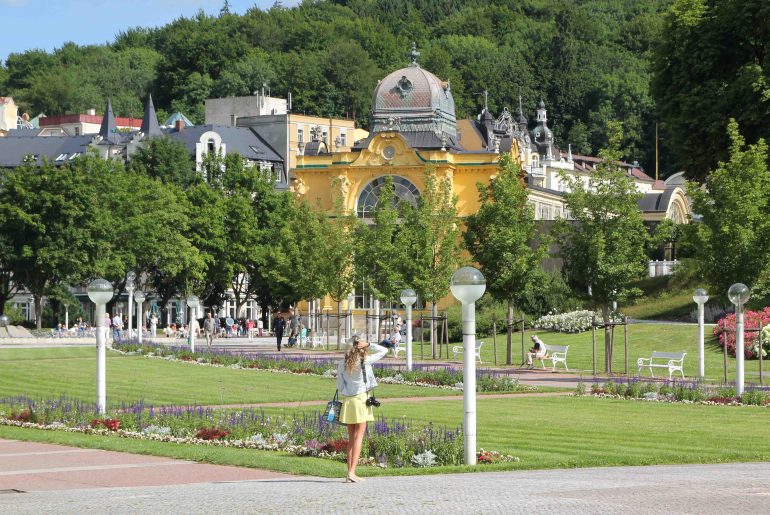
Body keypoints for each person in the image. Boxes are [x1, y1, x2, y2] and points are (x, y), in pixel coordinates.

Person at [336, 335, 387, 483]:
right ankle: (352, 472)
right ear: (360, 347)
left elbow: (340, 386)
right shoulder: (364, 361)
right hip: (361, 400)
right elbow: (384, 350)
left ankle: (349, 473)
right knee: (359, 437)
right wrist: (369, 344)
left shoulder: (342, 363)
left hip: (348, 401)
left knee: (351, 438)